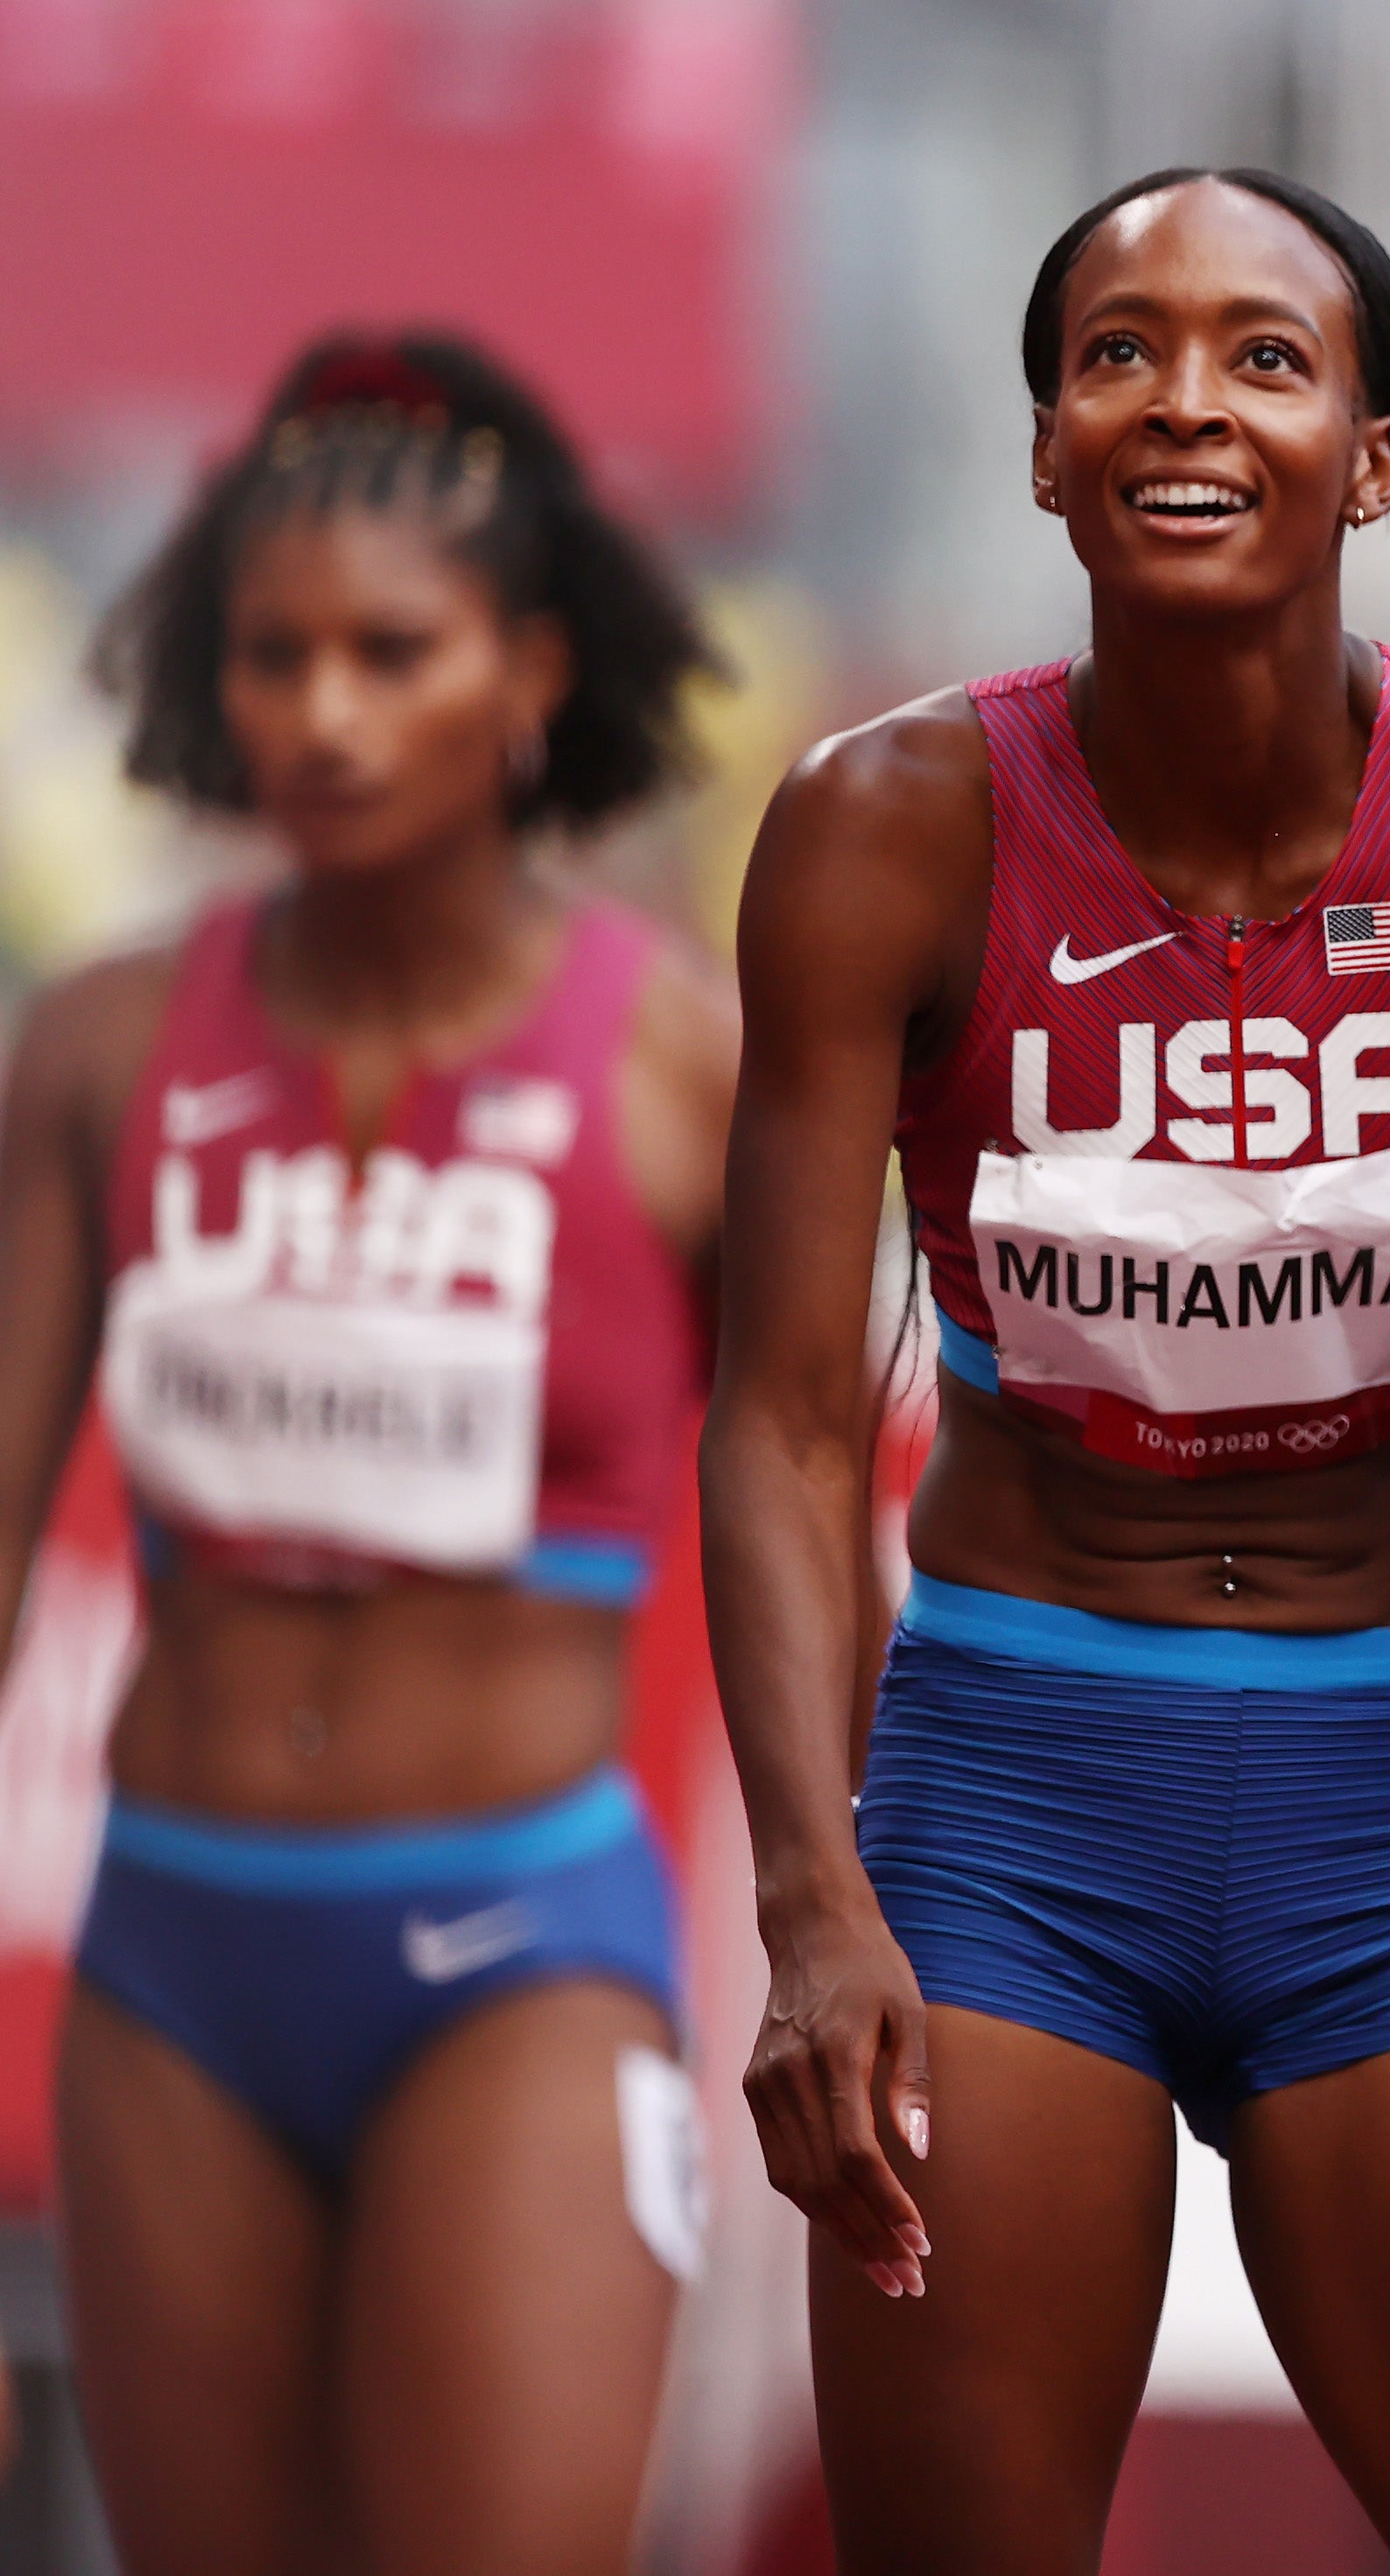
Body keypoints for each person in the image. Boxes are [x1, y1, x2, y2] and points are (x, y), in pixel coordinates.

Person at [704, 169, 1390, 2575]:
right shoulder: (883, 828)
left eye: (1266, 357)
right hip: (1008, 1801)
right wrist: (813, 1900)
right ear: (1046, 448)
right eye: (1118, 353)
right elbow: (771, 1411)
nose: (1187, 398)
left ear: (1371, 456)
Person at [0, 333, 732, 2574]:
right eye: (273, 658)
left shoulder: (685, 1062)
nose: (319, 714)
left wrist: (876, 1932)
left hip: (520, 1946)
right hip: (172, 1962)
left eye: (388, 655)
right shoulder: (105, 1044)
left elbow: (812, 1521)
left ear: (527, 673)